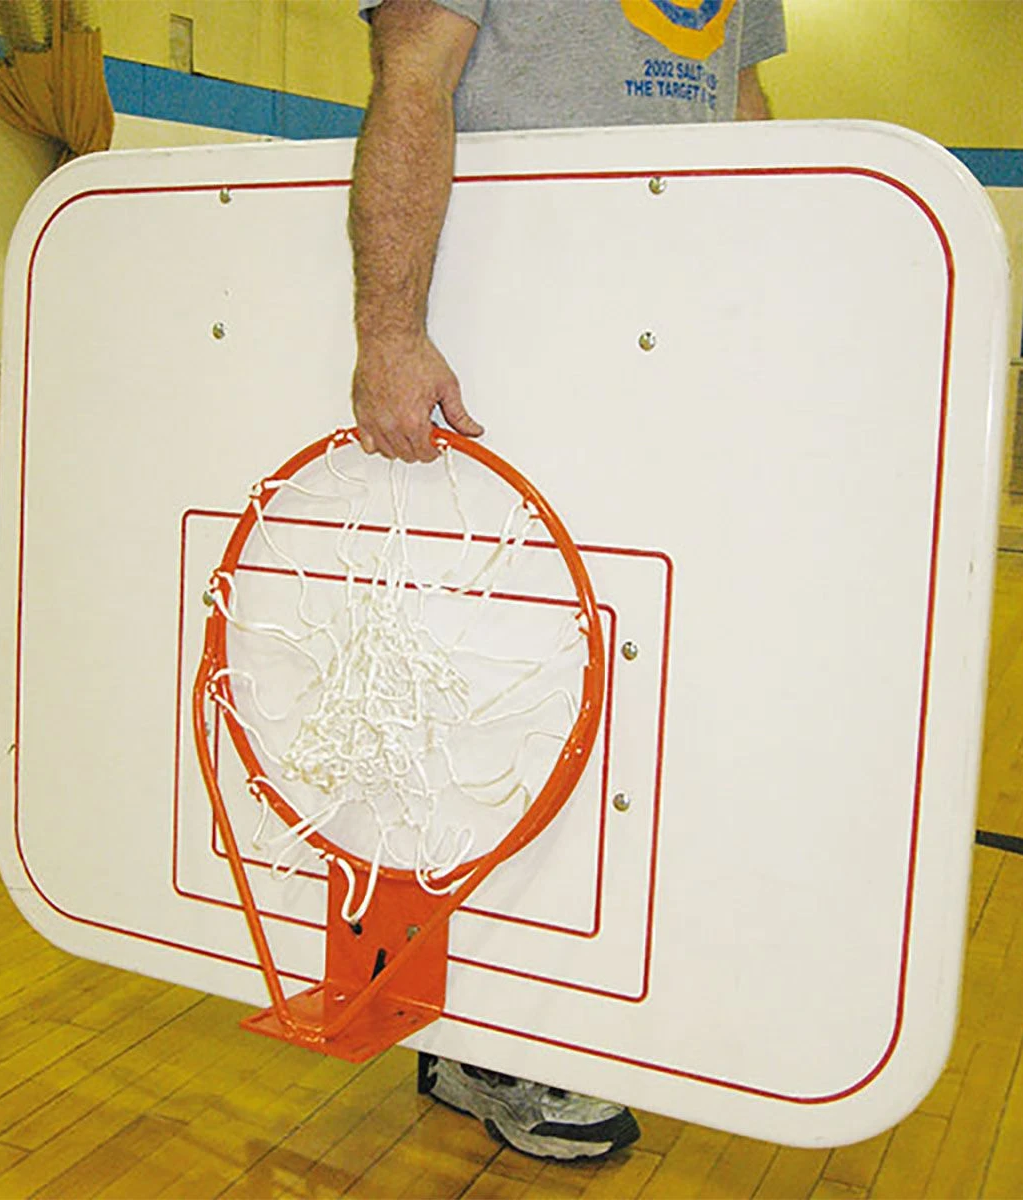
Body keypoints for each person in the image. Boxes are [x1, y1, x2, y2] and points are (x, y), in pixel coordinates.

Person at [347, 0, 787, 1160]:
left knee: (640, 681)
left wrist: (770, 307)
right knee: (508, 679)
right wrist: (391, 328)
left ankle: (556, 998)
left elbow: (737, 107)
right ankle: (493, 1034)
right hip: (517, 319)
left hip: (665, 333)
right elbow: (410, 79)